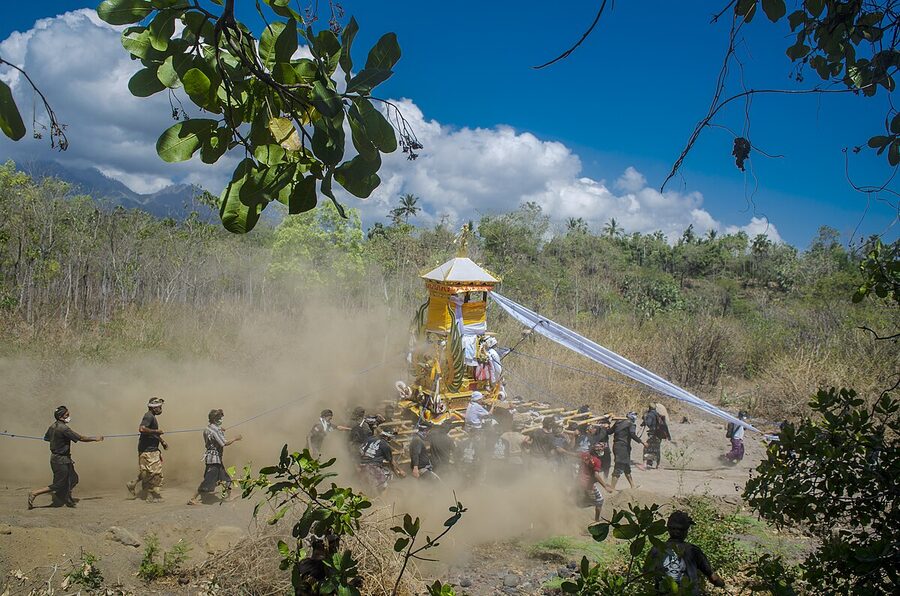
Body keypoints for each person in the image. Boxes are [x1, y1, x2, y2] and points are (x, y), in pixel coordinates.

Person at [28, 406, 104, 509]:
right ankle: (34, 493)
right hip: (60, 461)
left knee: (73, 479)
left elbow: (46, 438)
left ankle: (66, 496)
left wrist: (57, 440)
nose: (69, 417)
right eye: (67, 415)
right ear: (60, 417)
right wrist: (96, 439)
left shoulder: (52, 426)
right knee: (59, 484)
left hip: (62, 459)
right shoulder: (64, 429)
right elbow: (81, 438)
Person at [645, 511, 726, 594]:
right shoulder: (693, 550)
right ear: (686, 531)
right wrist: (722, 584)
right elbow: (712, 577)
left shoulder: (656, 549)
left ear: (668, 529)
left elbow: (646, 573)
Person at [188, 409, 242, 505]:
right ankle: (193, 498)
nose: (221, 419)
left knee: (225, 477)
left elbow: (212, 437)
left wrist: (220, 430)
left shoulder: (207, 429)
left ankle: (231, 494)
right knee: (207, 481)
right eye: (219, 418)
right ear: (215, 419)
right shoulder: (215, 430)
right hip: (214, 460)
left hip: (212, 458)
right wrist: (235, 438)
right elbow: (224, 443)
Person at [127, 397, 167, 502]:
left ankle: (133, 483)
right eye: (159, 407)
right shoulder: (149, 416)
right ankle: (151, 495)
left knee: (146, 472)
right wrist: (157, 431)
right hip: (149, 450)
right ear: (154, 408)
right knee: (155, 473)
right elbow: (142, 429)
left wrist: (161, 441)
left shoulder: (151, 416)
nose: (161, 409)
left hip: (145, 448)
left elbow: (151, 433)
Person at [358, 428, 405, 493]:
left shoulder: (370, 439)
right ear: (387, 437)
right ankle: (383, 502)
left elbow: (360, 450)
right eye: (390, 438)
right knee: (383, 486)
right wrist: (398, 472)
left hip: (361, 465)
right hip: (373, 467)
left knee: (364, 486)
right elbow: (391, 462)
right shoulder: (385, 445)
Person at [610, 412, 647, 490]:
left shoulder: (618, 422)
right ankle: (612, 488)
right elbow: (632, 434)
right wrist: (642, 442)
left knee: (626, 466)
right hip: (623, 447)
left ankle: (633, 486)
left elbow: (609, 431)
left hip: (616, 446)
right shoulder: (631, 424)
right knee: (619, 466)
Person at [578, 441, 613, 521]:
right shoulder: (597, 461)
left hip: (578, 482)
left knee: (581, 499)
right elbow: (596, 475)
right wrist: (605, 487)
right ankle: (596, 520)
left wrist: (564, 451)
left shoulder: (585, 455)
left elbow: (575, 455)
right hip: (588, 485)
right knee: (600, 501)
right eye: (601, 448)